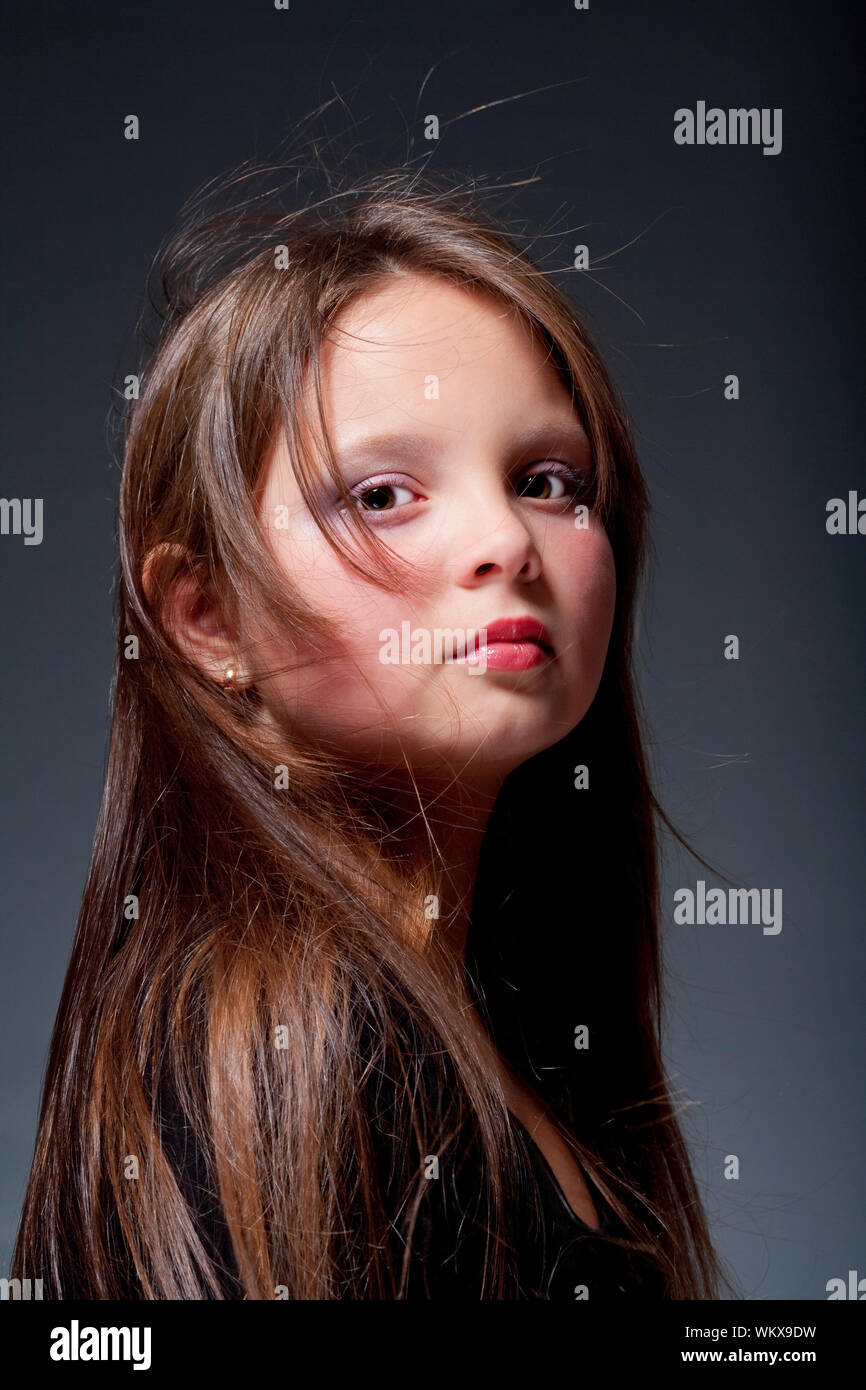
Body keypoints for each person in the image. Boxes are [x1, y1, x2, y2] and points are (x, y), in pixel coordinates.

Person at [12, 158, 732, 1299]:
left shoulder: (501, 1041)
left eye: (547, 478)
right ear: (206, 619)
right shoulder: (299, 1053)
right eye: (383, 494)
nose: (505, 539)